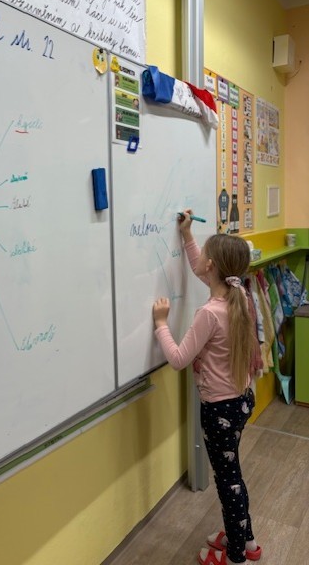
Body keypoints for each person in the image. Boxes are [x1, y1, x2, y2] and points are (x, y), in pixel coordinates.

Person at [152, 211, 262, 565]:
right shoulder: (239, 295)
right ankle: (245, 541)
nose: (200, 265)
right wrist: (187, 235)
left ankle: (235, 555)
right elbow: (201, 267)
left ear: (211, 266)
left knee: (228, 482)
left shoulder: (209, 313)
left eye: (204, 259)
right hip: (241, 401)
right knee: (233, 475)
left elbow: (178, 359)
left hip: (219, 410)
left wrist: (161, 324)